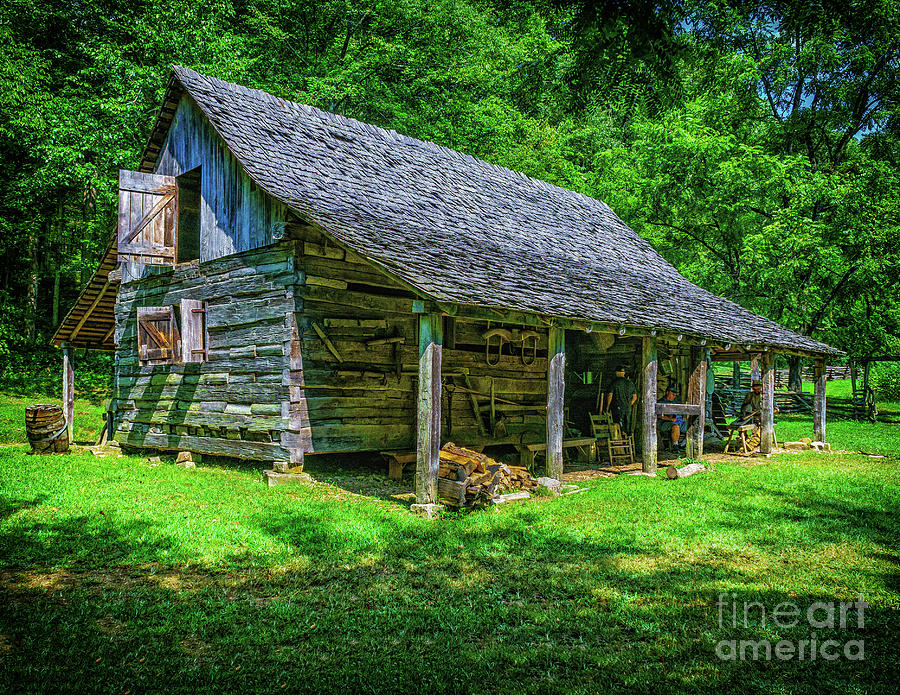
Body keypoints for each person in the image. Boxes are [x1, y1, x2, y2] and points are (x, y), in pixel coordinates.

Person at [605, 365, 637, 436]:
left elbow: (610, 396)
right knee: (627, 424)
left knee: (619, 425)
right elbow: (635, 397)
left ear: (617, 372)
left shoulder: (614, 383)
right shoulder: (630, 383)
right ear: (624, 373)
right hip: (628, 408)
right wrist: (629, 404)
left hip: (618, 408)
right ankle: (627, 439)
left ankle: (620, 441)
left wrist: (607, 407)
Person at [658, 386, 685, 451]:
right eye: (672, 394)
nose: (674, 396)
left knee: (691, 426)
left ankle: (683, 445)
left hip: (678, 421)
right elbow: (658, 416)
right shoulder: (661, 402)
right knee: (675, 427)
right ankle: (675, 446)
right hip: (664, 423)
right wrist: (670, 419)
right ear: (667, 393)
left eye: (675, 395)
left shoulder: (675, 402)